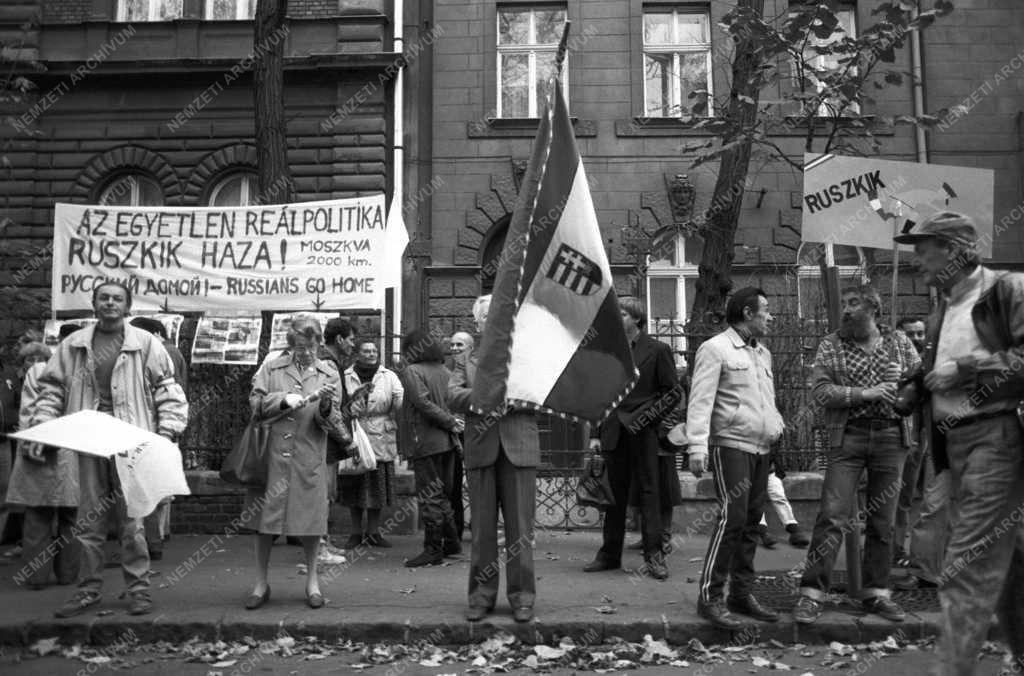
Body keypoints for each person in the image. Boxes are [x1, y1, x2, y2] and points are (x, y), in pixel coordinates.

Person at [893, 212, 1024, 675]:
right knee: (1009, 570)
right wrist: (916, 387)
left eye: (922, 249)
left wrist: (965, 369)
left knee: (965, 566)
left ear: (951, 250)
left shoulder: (1008, 291)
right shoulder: (942, 308)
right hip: (954, 448)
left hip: (994, 439)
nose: (916, 261)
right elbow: (939, 370)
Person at [27, 282, 188, 618]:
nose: (110, 303)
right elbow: (52, 391)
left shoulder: (145, 343)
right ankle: (88, 591)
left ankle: (139, 591)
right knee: (88, 520)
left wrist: (167, 432)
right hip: (89, 440)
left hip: (131, 441)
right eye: (104, 298)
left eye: (117, 298)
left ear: (127, 306)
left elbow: (167, 391)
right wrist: (41, 429)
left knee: (133, 522)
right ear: (95, 304)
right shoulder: (74, 345)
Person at [791, 285, 920, 625]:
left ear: (873, 309)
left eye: (854, 304)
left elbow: (920, 385)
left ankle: (876, 593)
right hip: (848, 436)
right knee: (832, 515)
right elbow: (820, 391)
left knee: (884, 522)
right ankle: (811, 594)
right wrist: (865, 393)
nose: (846, 310)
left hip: (892, 436)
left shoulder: (900, 343)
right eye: (844, 304)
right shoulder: (832, 344)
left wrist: (904, 381)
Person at [688, 287, 785, 629]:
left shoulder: (764, 354)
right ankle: (710, 597)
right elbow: (700, 399)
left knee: (753, 524)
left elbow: (767, 401)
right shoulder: (716, 349)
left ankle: (740, 594)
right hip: (730, 445)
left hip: (760, 448)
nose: (770, 316)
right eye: (766, 310)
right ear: (747, 313)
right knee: (733, 518)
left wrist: (776, 432)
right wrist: (697, 446)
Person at [242, 316, 346, 610]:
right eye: (301, 347)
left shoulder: (328, 373)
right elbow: (255, 405)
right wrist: (284, 399)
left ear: (319, 344)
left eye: (312, 347)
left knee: (311, 524)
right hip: (271, 456)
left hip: (308, 456)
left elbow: (331, 419)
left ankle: (312, 582)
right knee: (265, 523)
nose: (307, 353)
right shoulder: (272, 367)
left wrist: (325, 405)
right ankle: (261, 583)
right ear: (291, 345)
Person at [448, 294, 540, 623]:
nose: (494, 319)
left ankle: (522, 597)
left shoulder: (526, 354)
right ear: (478, 322)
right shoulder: (466, 358)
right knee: (483, 530)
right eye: (487, 315)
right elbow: (451, 394)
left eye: (500, 312)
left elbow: (540, 395)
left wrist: (511, 399)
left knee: (520, 531)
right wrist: (484, 398)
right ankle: (481, 596)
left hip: (519, 449)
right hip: (481, 448)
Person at [583, 297, 680, 580]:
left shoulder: (658, 350)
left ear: (637, 318)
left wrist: (645, 419)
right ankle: (609, 555)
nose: (618, 318)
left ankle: (654, 557)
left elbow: (672, 393)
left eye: (622, 314)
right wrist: (595, 434)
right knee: (614, 496)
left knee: (649, 494)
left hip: (644, 433)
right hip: (614, 431)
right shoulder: (610, 351)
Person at [5, 341, 81, 589]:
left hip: (39, 449)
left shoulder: (38, 372)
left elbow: (28, 412)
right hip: (72, 452)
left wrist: (31, 443)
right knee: (70, 517)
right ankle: (68, 575)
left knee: (38, 517)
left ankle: (37, 579)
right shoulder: (83, 373)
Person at [397, 329, 464, 567]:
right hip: (448, 442)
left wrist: (448, 421)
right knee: (442, 494)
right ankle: (452, 542)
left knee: (429, 496)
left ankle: (433, 549)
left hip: (425, 441)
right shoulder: (446, 372)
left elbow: (422, 403)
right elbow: (454, 401)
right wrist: (452, 422)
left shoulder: (412, 371)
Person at [129, 316, 188, 562]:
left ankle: (148, 544)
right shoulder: (169, 351)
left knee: (144, 490)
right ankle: (157, 540)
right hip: (162, 426)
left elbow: (165, 391)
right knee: (153, 488)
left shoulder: (160, 352)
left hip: (153, 427)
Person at [338, 339, 404, 549]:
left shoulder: (389, 375)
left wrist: (398, 402)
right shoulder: (345, 376)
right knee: (354, 483)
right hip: (355, 432)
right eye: (366, 350)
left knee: (378, 486)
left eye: (374, 350)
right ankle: (356, 532)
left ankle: (374, 532)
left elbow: (399, 399)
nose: (371, 354)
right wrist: (354, 402)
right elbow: (339, 405)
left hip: (380, 434)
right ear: (357, 354)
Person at [317, 317, 356, 564]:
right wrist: (345, 438)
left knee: (326, 492)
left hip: (325, 438)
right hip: (326, 440)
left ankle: (325, 542)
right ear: (340, 339)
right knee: (324, 493)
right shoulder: (329, 366)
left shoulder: (326, 362)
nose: (353, 345)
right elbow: (328, 408)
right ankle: (320, 547)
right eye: (351, 340)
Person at [891, 315, 927, 567]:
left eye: (920, 333)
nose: (916, 338)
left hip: (928, 438)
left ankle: (922, 554)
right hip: (902, 436)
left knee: (920, 498)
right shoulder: (893, 359)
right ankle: (893, 550)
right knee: (897, 496)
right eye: (910, 334)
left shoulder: (930, 361)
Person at [445, 332, 474, 540]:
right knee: (452, 482)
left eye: (460, 345)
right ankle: (456, 528)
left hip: (474, 432)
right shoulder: (446, 370)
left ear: (470, 347)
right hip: (451, 433)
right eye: (453, 344)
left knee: (477, 481)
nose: (455, 348)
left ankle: (479, 526)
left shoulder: (475, 368)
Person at [756, 470, 811, 549]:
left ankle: (792, 527)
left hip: (769, 468)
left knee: (779, 495)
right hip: (750, 469)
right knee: (756, 499)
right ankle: (762, 531)